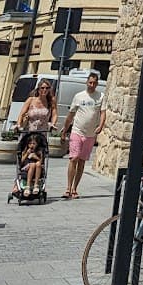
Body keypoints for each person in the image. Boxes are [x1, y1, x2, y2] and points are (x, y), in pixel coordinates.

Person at [61, 70, 106, 199]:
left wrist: (100, 126)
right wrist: (64, 130)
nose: (92, 85)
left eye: (94, 83)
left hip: (90, 134)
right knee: (73, 158)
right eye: (90, 82)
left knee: (81, 161)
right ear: (87, 82)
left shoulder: (101, 97)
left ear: (97, 84)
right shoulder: (79, 96)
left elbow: (103, 113)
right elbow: (71, 115)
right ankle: (68, 188)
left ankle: (75, 188)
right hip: (77, 131)